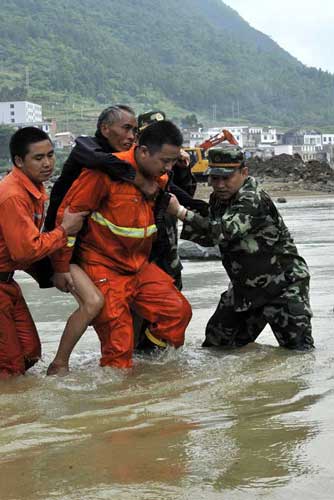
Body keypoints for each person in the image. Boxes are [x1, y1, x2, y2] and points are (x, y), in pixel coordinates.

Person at [51, 120, 192, 369]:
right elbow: (69, 217)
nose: (169, 168)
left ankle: (150, 368)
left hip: (138, 266)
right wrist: (61, 267)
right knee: (118, 346)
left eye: (172, 161)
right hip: (103, 266)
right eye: (165, 161)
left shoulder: (157, 177)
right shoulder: (103, 173)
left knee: (177, 312)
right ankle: (118, 393)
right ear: (144, 151)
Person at [46, 105, 160, 375]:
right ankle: (60, 364)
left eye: (135, 130)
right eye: (127, 129)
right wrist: (138, 179)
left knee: (127, 308)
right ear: (105, 129)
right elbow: (102, 160)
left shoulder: (117, 157)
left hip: (83, 244)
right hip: (63, 245)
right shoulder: (87, 149)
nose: (132, 135)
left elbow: (161, 189)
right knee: (94, 304)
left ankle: (121, 362)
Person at [167, 145, 314, 351]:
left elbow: (225, 231)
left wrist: (182, 212)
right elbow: (212, 238)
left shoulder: (252, 198)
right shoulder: (219, 199)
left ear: (244, 173)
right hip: (245, 289)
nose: (219, 185)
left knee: (298, 353)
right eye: (214, 178)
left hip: (282, 287)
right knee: (217, 344)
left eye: (226, 178)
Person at [0, 127, 88, 378]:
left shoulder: (32, 189)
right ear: (19, 161)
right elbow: (25, 251)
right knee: (10, 367)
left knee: (30, 353)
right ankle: (14, 414)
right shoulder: (13, 196)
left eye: (50, 155)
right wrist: (65, 230)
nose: (48, 163)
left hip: (7, 282)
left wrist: (55, 272)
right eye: (38, 158)